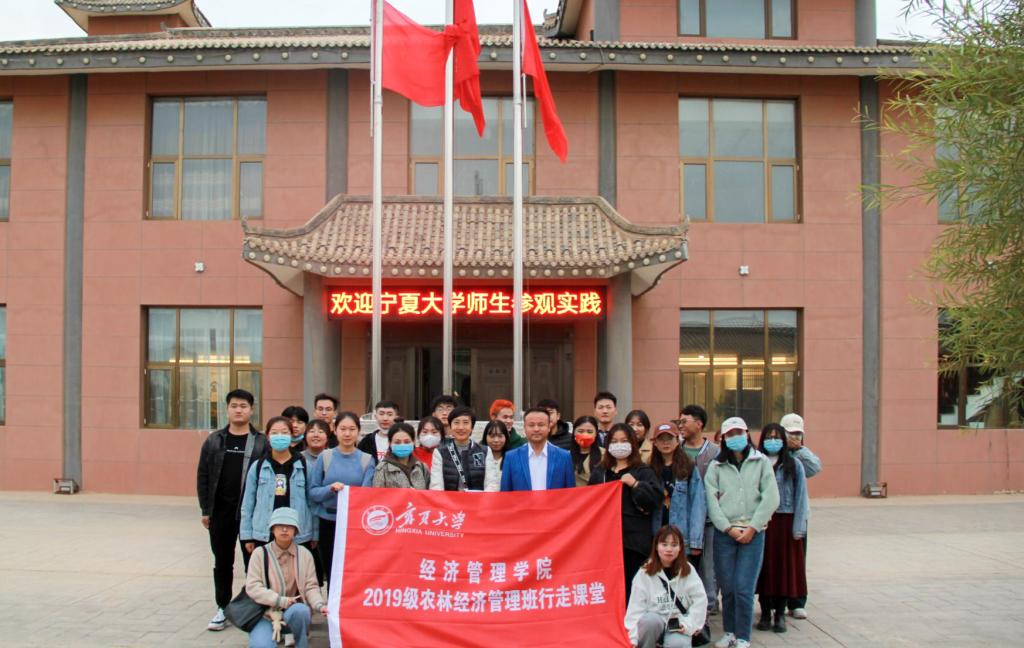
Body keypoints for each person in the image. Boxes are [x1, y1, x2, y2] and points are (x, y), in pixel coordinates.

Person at [704, 417, 780, 648]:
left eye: (739, 433)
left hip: (753, 534)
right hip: (725, 533)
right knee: (727, 587)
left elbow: (771, 497)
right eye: (730, 434)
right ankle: (729, 632)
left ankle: (743, 636)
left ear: (747, 434)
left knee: (744, 587)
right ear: (723, 438)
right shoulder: (716, 466)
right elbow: (711, 501)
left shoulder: (761, 462)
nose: (735, 437)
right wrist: (727, 528)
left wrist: (753, 527)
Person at [196, 388, 266, 632]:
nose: (238, 410)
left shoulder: (261, 442)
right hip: (221, 513)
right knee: (222, 562)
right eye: (234, 406)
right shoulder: (214, 440)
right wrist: (206, 509)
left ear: (251, 410)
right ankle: (223, 607)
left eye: (243, 406)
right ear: (227, 409)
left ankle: (252, 608)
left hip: (250, 515)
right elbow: (203, 475)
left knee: (253, 563)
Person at [589, 423, 661, 597]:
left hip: (634, 544)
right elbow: (589, 502)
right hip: (605, 542)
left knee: (632, 589)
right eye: (614, 441)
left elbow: (654, 500)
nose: (619, 445)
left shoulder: (643, 471)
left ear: (633, 443)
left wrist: (635, 484)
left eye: (624, 441)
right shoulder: (600, 472)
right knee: (608, 590)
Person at [244, 507, 326, 648]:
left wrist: (319, 605)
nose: (284, 530)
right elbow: (253, 587)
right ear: (272, 529)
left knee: (301, 611)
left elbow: (311, 587)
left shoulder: (304, 554)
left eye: (289, 526)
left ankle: (300, 642)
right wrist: (279, 600)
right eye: (279, 525)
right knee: (262, 645)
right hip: (264, 613)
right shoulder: (259, 553)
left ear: (296, 530)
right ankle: (268, 632)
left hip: (292, 609)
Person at [308, 411, 374, 584]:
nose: (347, 433)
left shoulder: (367, 460)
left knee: (353, 571)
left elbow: (366, 495)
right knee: (331, 570)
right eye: (343, 429)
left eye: (352, 429)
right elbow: (313, 492)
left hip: (354, 525)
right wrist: (330, 489)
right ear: (335, 430)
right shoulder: (325, 457)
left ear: (359, 431)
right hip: (328, 522)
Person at [755, 423, 809, 634]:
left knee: (783, 570)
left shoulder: (794, 465)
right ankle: (765, 613)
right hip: (762, 523)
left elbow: (801, 497)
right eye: (769, 437)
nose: (773, 441)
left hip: (785, 523)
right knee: (764, 570)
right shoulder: (756, 462)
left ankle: (779, 614)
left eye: (777, 437)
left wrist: (799, 528)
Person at [239, 417, 316, 563]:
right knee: (266, 572)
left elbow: (312, 503)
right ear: (267, 436)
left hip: (298, 534)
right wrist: (247, 535)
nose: (279, 436)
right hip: (264, 533)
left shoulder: (304, 466)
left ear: (291, 435)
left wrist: (315, 533)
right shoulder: (258, 466)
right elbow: (247, 504)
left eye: (284, 432)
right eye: (274, 433)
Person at [624, 525, 709, 648]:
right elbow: (635, 609)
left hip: (677, 624)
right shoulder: (644, 573)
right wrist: (633, 640)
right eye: (664, 544)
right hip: (654, 623)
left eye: (674, 545)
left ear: (680, 548)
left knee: (678, 644)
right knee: (650, 621)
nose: (669, 549)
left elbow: (700, 600)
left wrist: (688, 624)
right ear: (656, 547)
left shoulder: (688, 570)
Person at [678, 404, 720, 615]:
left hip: (709, 519)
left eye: (684, 421)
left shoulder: (715, 452)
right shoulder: (676, 449)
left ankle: (709, 605)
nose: (681, 426)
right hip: (682, 519)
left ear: (699, 424)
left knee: (709, 565)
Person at [779, 412, 821, 621]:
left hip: (797, 514)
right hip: (776, 515)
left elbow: (815, 468)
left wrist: (799, 450)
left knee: (797, 559)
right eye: (790, 433)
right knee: (777, 560)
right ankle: (776, 599)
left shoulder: (801, 456)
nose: (794, 437)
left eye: (798, 434)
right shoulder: (772, 454)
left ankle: (797, 602)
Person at [648, 422, 706, 572]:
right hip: (656, 535)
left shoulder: (688, 467)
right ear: (655, 443)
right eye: (661, 439)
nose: (665, 443)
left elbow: (698, 505)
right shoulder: (648, 469)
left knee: (683, 577)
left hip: (682, 537)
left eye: (669, 438)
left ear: (677, 440)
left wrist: (695, 541)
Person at [500, 408, 575, 491]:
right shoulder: (511, 457)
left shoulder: (564, 456)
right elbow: (505, 492)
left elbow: (570, 493)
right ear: (524, 428)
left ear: (549, 427)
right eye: (531, 425)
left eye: (541, 425)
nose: (536, 429)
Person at [430, 406, 487, 491]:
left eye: (466, 422)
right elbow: (436, 485)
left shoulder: (485, 451)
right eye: (456, 422)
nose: (461, 427)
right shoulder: (440, 453)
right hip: (448, 499)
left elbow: (491, 484)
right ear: (450, 426)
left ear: (472, 427)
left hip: (478, 499)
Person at [373, 422, 430, 489]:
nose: (402, 445)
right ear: (390, 443)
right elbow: (378, 494)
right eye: (397, 442)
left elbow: (428, 492)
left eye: (407, 442)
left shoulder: (421, 467)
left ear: (413, 442)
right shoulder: (382, 469)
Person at [357, 399, 399, 464]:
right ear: (375, 416)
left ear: (396, 417)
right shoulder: (366, 441)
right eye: (381, 414)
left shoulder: (403, 441)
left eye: (389, 414)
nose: (385, 418)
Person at [569, 415, 604, 487]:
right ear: (574, 432)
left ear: (596, 433)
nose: (585, 435)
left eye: (590, 432)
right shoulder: (566, 456)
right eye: (580, 431)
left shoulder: (605, 455)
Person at [482, 420, 510, 492]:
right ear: (485, 437)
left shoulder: (512, 458)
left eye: (500, 436)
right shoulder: (478, 457)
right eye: (492, 436)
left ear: (506, 437)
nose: (496, 440)